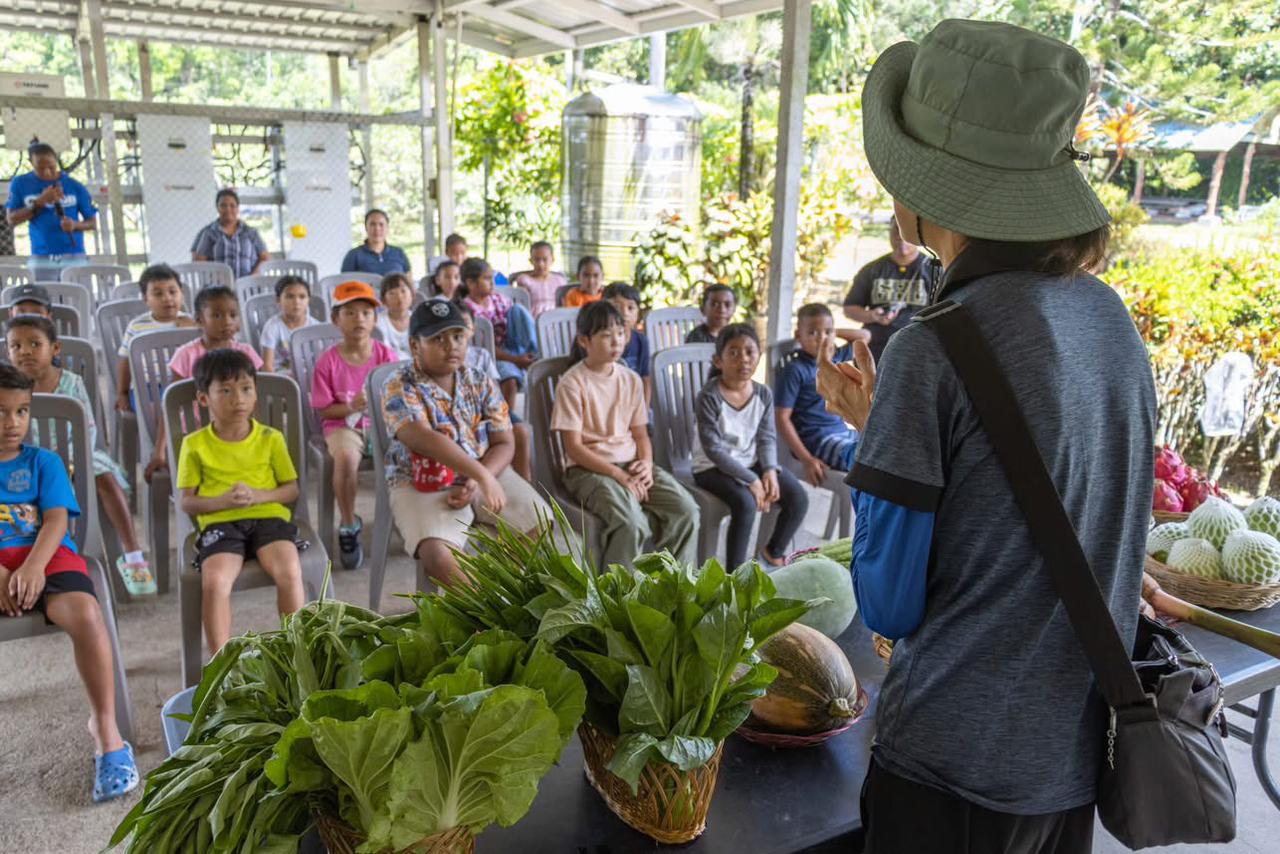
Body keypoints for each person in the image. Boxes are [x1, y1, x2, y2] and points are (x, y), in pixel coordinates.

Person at [816, 20, 1153, 853]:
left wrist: (876, 444)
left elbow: (890, 600)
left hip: (947, 769)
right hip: (1070, 760)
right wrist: (883, 432)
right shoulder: (1113, 324)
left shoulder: (937, 346)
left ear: (934, 194)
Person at [0, 364, 138, 802]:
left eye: (21, 411)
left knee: (86, 613)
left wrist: (33, 567)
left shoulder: (44, 462)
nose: (12, 423)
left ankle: (106, 727)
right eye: (2, 412)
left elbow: (57, 519)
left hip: (45, 554)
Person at [381, 299, 551, 586]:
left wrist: (479, 478)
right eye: (438, 338)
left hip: (485, 469)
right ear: (414, 346)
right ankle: (485, 612)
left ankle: (501, 587)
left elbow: (504, 441)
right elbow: (421, 437)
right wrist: (480, 475)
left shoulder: (479, 380)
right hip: (421, 479)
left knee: (540, 521)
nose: (452, 345)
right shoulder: (399, 384)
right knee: (437, 555)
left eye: (458, 336)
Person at [8, 316, 154, 595]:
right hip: (25, 462)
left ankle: (133, 554)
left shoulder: (72, 383)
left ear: (55, 349)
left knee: (106, 479)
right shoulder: (9, 390)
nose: (24, 351)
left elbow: (87, 428)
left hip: (77, 455)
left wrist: (73, 463)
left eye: (34, 344)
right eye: (16, 346)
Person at [176, 349, 305, 655]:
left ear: (255, 394)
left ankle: (296, 650)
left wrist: (260, 496)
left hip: (269, 518)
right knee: (215, 581)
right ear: (204, 399)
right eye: (226, 390)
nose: (239, 399)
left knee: (289, 570)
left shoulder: (271, 438)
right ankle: (222, 663)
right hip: (220, 523)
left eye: (246, 389)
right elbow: (188, 503)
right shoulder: (194, 445)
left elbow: (291, 490)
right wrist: (221, 501)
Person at [552, 301, 699, 568]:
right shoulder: (572, 383)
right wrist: (619, 475)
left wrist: (645, 463)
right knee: (631, 523)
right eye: (606, 335)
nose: (616, 341)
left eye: (620, 333)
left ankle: (673, 587)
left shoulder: (630, 379)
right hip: (587, 469)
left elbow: (641, 435)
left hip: (631, 463)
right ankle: (618, 597)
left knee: (686, 510)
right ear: (584, 340)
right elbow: (573, 448)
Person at [692, 323, 807, 569]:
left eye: (749, 352)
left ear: (758, 356)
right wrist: (751, 480)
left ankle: (772, 552)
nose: (743, 359)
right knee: (745, 503)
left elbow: (766, 437)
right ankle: (735, 576)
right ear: (718, 360)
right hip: (711, 468)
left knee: (797, 496)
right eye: (733, 352)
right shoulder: (709, 396)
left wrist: (769, 471)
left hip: (750, 461)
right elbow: (714, 450)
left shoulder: (763, 393)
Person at [310, 281, 398, 569]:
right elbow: (325, 411)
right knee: (346, 460)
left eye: (365, 313)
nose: (359, 319)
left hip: (381, 423)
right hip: (342, 425)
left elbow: (398, 398)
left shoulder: (386, 356)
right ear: (336, 319)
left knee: (414, 448)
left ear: (375, 319)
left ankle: (403, 515)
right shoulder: (327, 362)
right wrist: (352, 407)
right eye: (350, 313)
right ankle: (349, 524)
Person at [147, 285, 264, 484]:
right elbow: (172, 405)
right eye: (217, 315)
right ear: (200, 320)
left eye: (233, 315)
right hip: (194, 432)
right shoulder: (185, 356)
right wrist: (159, 451)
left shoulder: (247, 354)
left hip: (238, 429)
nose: (227, 321)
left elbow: (256, 400)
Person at [774, 304, 859, 484]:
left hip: (844, 432)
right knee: (864, 459)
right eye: (813, 333)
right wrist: (806, 459)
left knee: (883, 447)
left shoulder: (833, 358)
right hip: (819, 440)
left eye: (827, 332)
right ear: (799, 336)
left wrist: (833, 332)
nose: (821, 339)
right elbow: (781, 418)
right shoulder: (795, 369)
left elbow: (864, 337)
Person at [842, 215, 936, 362]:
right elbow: (850, 308)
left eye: (905, 231)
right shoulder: (873, 270)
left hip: (918, 351)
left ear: (917, 235)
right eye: (895, 230)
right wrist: (872, 316)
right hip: (876, 352)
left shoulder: (934, 270)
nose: (900, 236)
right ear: (889, 233)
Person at [4, 141, 97, 282]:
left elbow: (92, 223)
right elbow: (12, 219)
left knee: (77, 297)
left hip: (74, 254)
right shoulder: (21, 184)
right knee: (44, 299)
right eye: (40, 169)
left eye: (51, 167)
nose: (47, 172)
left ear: (56, 159)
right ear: (31, 163)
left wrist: (75, 225)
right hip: (41, 255)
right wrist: (40, 202)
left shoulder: (74, 185)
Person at [459, 302, 531, 481]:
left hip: (489, 407)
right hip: (464, 412)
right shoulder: (446, 357)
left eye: (465, 324)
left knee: (521, 432)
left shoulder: (481, 355)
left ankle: (525, 481)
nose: (460, 330)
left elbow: (494, 390)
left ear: (473, 328)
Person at [460, 258, 538, 415]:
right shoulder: (468, 310)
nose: (492, 283)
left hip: (512, 346)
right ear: (471, 283)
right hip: (493, 355)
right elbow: (485, 348)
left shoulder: (498, 299)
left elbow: (517, 324)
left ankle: (534, 353)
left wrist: (520, 353)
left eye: (492, 278)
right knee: (510, 379)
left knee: (518, 310)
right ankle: (507, 419)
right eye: (487, 279)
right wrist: (516, 360)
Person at [115, 264, 196, 415]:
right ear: (146, 299)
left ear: (182, 294)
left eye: (173, 292)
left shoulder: (190, 323)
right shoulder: (137, 327)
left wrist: (197, 328)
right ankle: (160, 439)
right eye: (158, 294)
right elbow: (125, 362)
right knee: (156, 411)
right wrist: (122, 393)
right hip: (148, 387)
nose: (167, 298)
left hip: (184, 384)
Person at [191, 188, 269, 278]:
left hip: (248, 286)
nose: (228, 209)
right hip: (219, 287)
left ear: (238, 208)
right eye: (223, 205)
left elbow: (265, 258)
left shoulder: (251, 232)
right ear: (217, 208)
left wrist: (253, 277)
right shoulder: (208, 233)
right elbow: (200, 262)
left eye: (232, 205)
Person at [260, 275, 320, 374]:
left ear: (309, 300)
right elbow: (267, 366)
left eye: (302, 297)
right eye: (290, 296)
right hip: (282, 380)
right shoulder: (272, 327)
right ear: (278, 300)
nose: (296, 302)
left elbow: (323, 363)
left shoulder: (316, 327)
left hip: (310, 377)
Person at [604, 281, 650, 405]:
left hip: (634, 404)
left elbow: (646, 379)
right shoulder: (599, 342)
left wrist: (643, 412)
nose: (624, 313)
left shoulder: (641, 341)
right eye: (616, 307)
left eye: (630, 308)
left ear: (638, 313)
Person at [341, 209, 410, 276]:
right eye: (372, 224)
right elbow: (344, 284)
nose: (377, 228)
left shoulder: (399, 253)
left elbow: (409, 283)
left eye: (381, 224)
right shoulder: (354, 255)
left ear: (387, 227)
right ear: (366, 227)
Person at [512, 241, 567, 318]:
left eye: (545, 259)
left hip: (556, 319)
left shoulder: (560, 281)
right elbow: (522, 306)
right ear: (531, 261)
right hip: (533, 321)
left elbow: (564, 305)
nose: (541, 264)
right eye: (537, 260)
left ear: (552, 259)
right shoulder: (525, 280)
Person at [375, 273, 414, 359]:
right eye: (392, 293)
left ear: (412, 295)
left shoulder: (418, 319)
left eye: (403, 291)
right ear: (384, 300)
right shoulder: (378, 322)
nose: (399, 297)